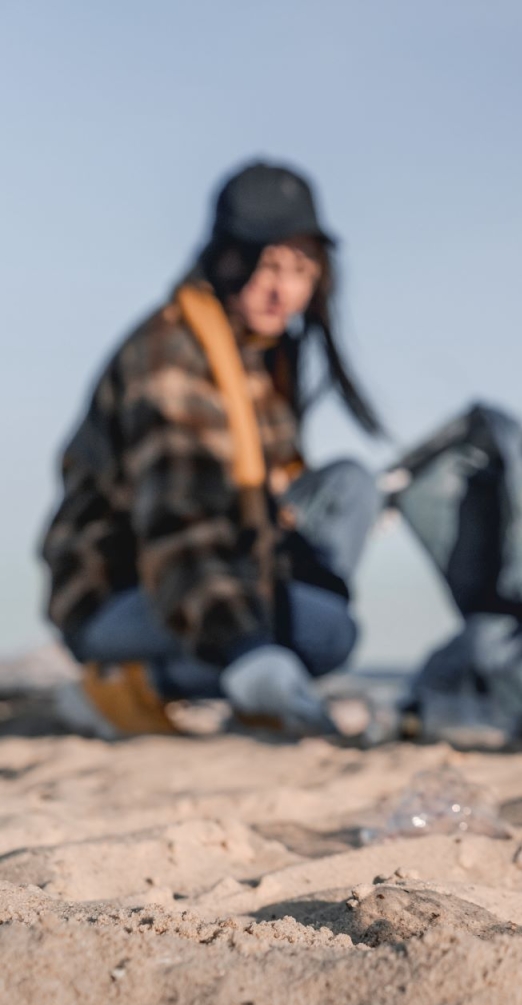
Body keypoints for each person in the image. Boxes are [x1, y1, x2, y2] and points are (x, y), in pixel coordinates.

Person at [41, 161, 384, 734]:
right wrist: (247, 646)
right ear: (228, 257)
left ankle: (257, 675)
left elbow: (267, 498)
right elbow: (181, 524)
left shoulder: (259, 359)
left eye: (301, 268)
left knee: (351, 484)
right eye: (268, 264)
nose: (283, 289)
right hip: (123, 589)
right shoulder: (171, 351)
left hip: (222, 567)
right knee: (328, 633)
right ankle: (131, 684)